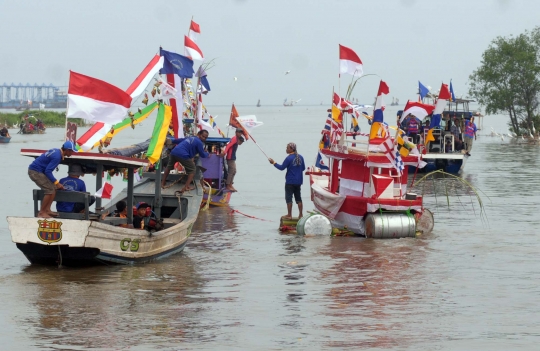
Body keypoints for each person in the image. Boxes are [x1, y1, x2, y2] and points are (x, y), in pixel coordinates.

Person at [28, 141, 77, 218]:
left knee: (54, 188)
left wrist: (55, 184)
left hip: (40, 171)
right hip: (35, 172)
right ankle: (41, 212)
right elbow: (48, 171)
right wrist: (57, 183)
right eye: (72, 151)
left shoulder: (57, 151)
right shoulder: (57, 157)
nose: (72, 153)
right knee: (50, 190)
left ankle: (47, 210)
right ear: (67, 150)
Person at [268, 142, 306, 219]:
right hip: (298, 181)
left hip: (290, 181)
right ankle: (301, 215)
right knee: (298, 198)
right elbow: (303, 168)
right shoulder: (301, 157)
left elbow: (281, 168)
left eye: (287, 148)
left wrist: (273, 163)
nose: (286, 149)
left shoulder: (289, 158)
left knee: (289, 198)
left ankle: (289, 215)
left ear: (291, 149)